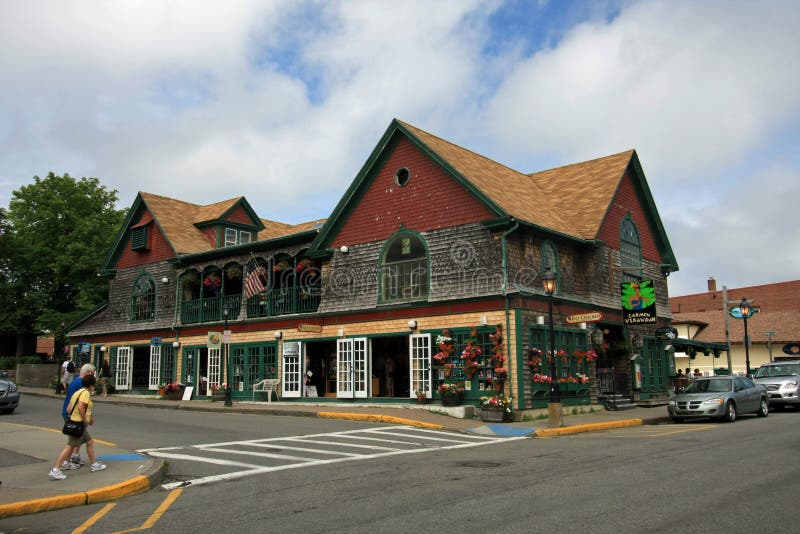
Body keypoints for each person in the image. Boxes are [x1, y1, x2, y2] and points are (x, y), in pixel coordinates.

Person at [49, 374, 107, 480]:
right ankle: (56, 469)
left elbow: (68, 409)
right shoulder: (85, 393)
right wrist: (86, 420)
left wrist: (88, 417)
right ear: (90, 385)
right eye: (93, 385)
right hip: (79, 424)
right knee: (70, 446)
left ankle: (94, 464)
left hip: (76, 422)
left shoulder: (77, 392)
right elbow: (81, 407)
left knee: (89, 442)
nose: (93, 387)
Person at [61, 363, 96, 469]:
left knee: (79, 437)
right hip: (75, 416)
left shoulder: (75, 381)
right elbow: (81, 405)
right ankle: (63, 463)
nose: (93, 377)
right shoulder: (82, 384)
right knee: (73, 442)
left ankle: (74, 457)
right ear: (88, 373)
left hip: (69, 412)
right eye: (92, 374)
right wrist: (87, 418)